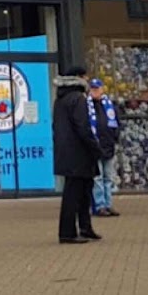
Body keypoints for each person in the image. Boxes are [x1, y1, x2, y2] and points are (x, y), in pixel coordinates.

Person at [51, 66, 103, 244]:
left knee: (81, 192)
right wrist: (95, 148)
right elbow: (83, 127)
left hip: (68, 152)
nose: (88, 79)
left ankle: (85, 227)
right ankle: (69, 232)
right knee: (75, 194)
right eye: (85, 76)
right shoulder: (78, 99)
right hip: (79, 153)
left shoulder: (60, 99)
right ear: (79, 78)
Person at [88, 78, 120, 218]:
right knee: (98, 178)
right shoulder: (86, 105)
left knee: (108, 178)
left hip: (108, 146)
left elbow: (116, 122)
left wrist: (115, 137)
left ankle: (108, 204)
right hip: (95, 147)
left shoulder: (109, 105)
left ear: (102, 89)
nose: (95, 91)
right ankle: (99, 205)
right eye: (93, 89)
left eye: (97, 88)